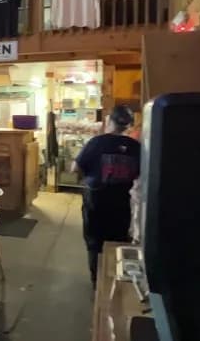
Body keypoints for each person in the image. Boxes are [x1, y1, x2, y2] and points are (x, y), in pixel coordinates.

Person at [72, 105, 140, 286]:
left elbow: (75, 168)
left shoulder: (96, 142)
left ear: (109, 121)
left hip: (96, 202)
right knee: (118, 242)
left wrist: (85, 178)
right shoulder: (136, 147)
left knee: (95, 243)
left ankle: (97, 283)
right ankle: (115, 283)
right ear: (128, 126)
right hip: (122, 203)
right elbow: (140, 175)